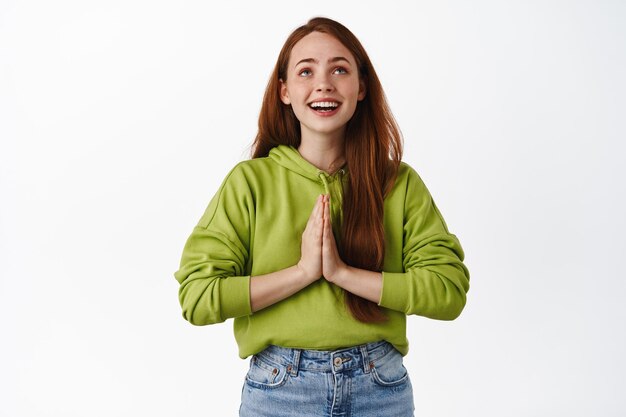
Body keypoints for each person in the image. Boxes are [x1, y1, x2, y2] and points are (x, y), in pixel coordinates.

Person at [174, 16, 470, 417]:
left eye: (340, 69)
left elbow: (448, 291)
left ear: (361, 87)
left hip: (380, 388)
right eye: (306, 70)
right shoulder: (250, 183)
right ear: (284, 91)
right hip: (279, 392)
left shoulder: (398, 183)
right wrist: (302, 272)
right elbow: (197, 297)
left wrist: (343, 274)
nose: (324, 83)